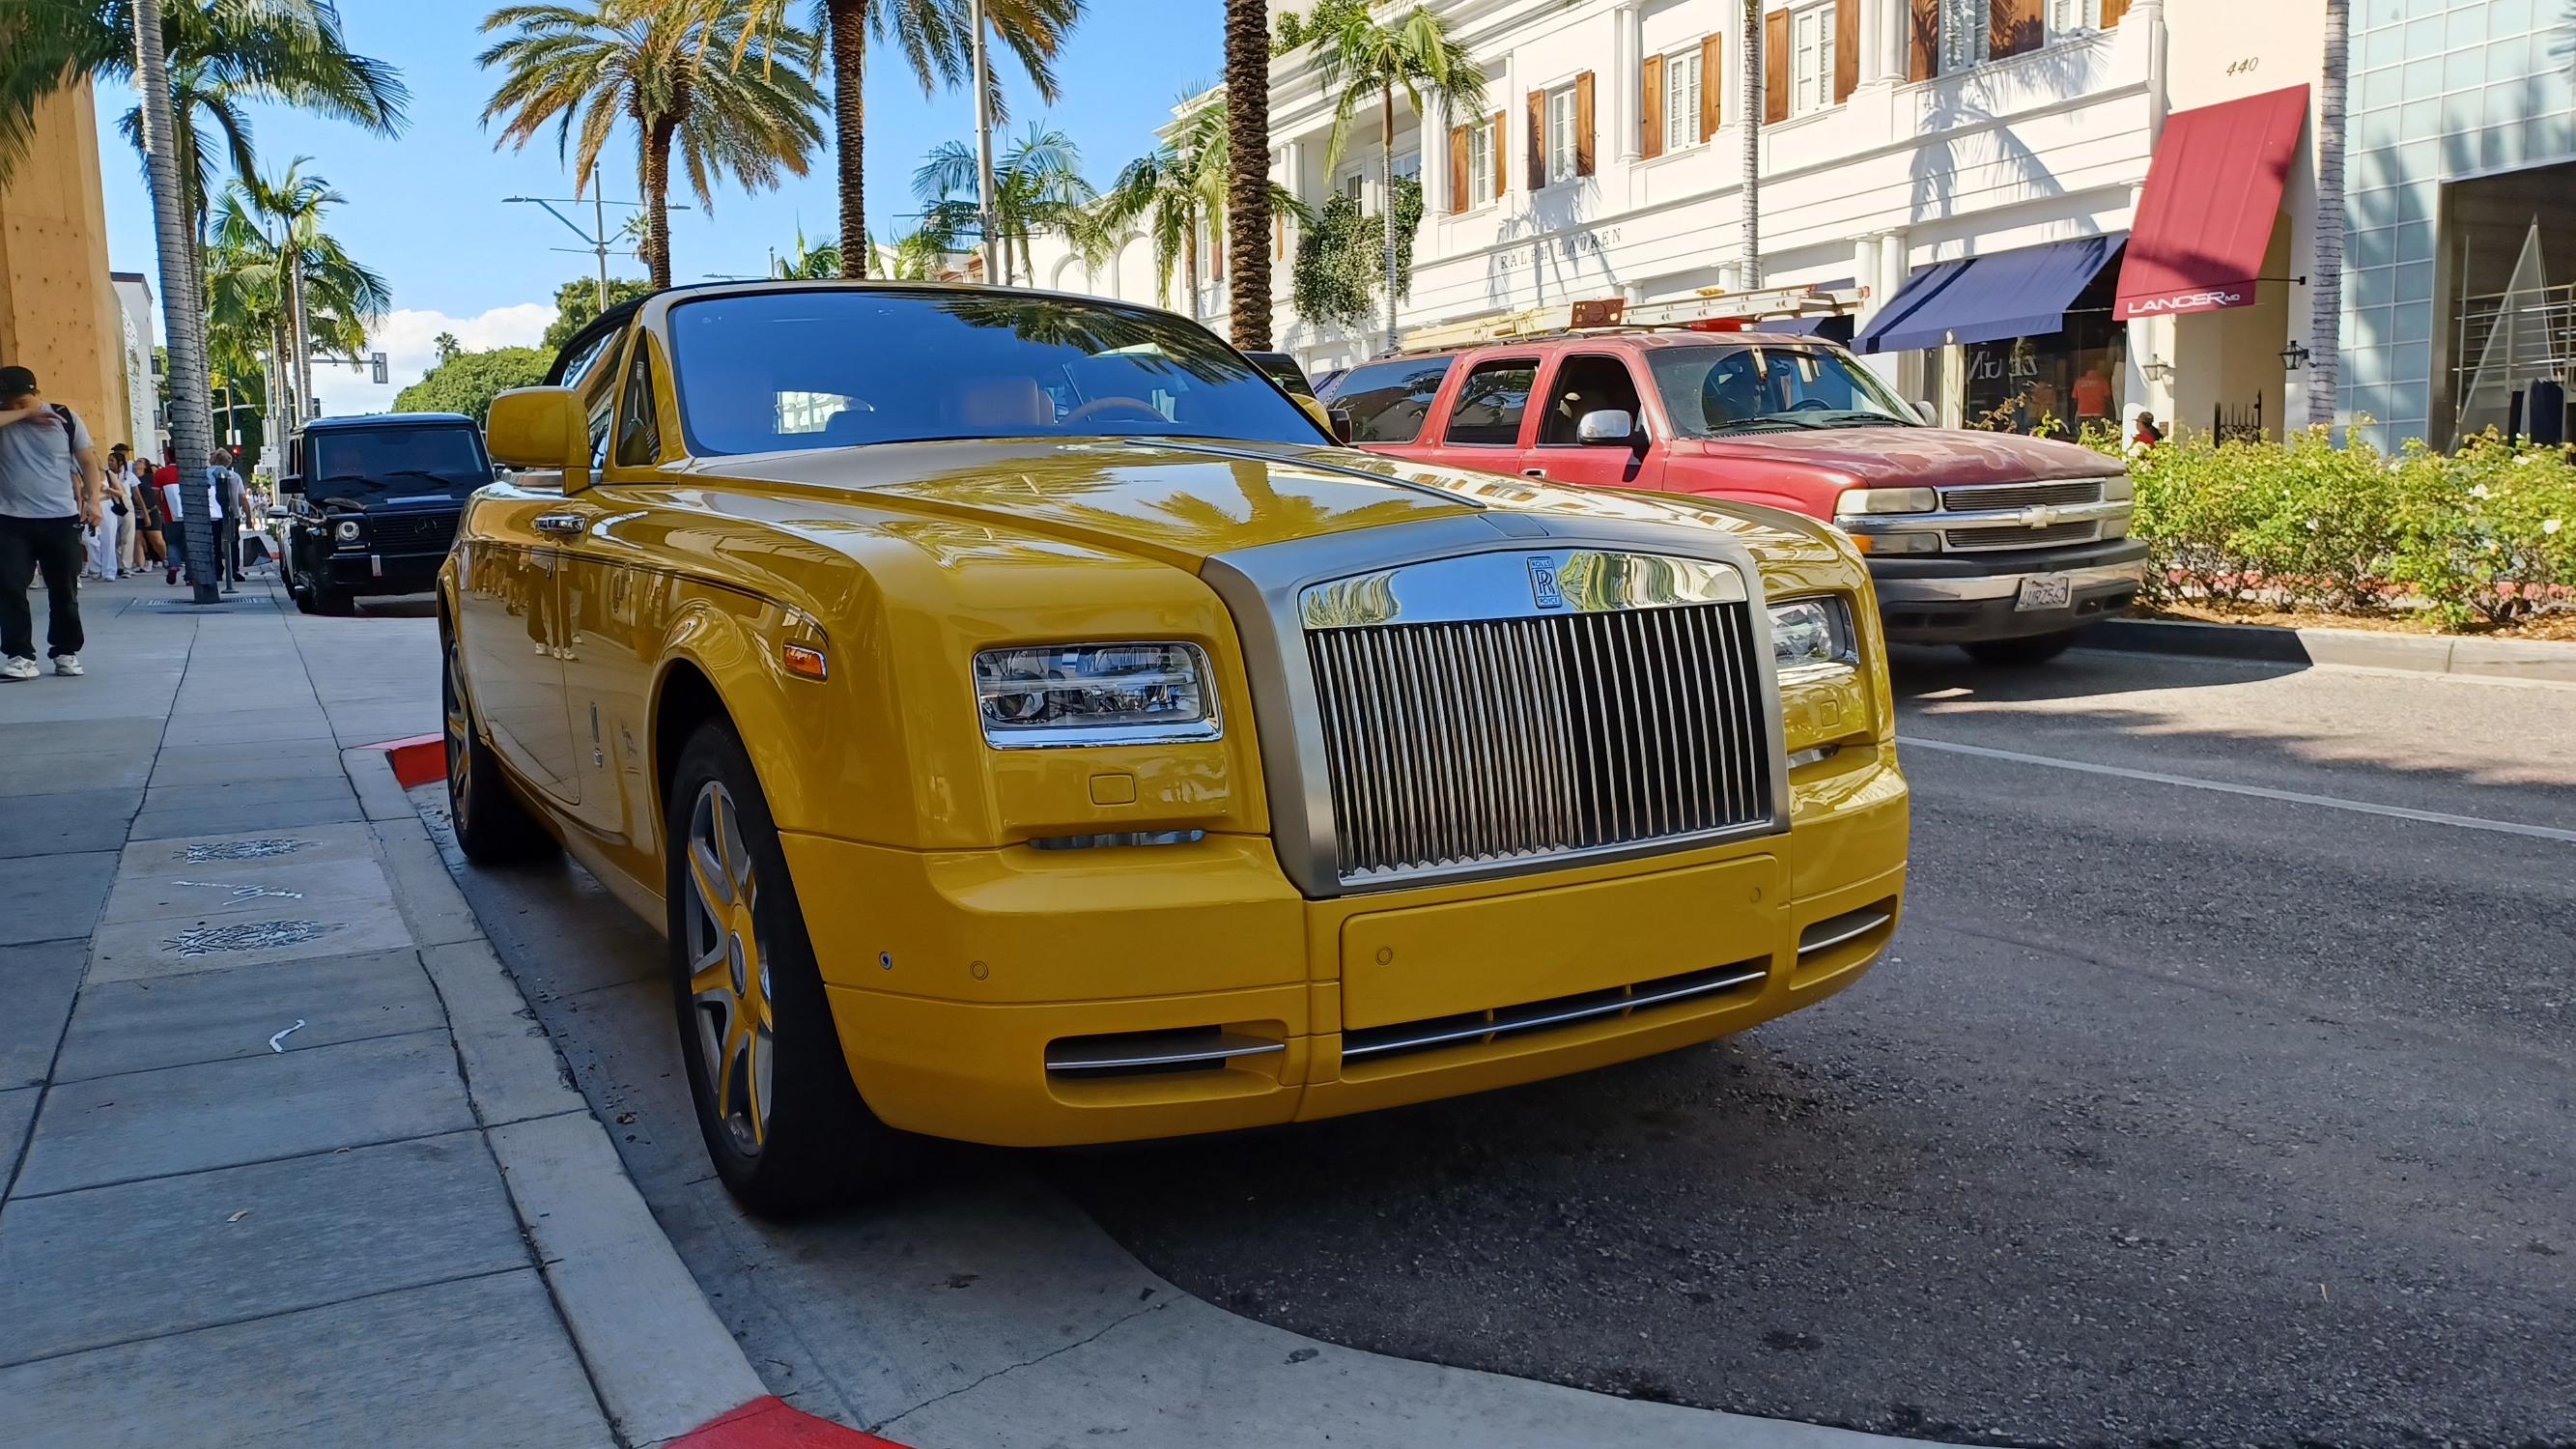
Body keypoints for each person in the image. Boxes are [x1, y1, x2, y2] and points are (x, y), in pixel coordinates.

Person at [0, 364, 103, 680]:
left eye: (22, 401)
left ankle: (65, 651)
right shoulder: (6, 420)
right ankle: (20, 655)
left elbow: (88, 462)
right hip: (11, 520)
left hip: (60, 518)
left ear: (37, 393)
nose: (14, 407)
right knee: (9, 587)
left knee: (64, 590)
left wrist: (93, 501)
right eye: (9, 403)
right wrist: (24, 413)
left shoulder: (66, 418)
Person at [90, 442, 131, 580]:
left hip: (106, 504)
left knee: (108, 538)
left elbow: (121, 493)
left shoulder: (108, 474)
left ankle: (109, 570)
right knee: (90, 539)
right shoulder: (82, 475)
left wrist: (106, 489)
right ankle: (96, 567)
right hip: (90, 505)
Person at [210, 447, 247, 590]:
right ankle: (234, 569)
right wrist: (248, 516)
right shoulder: (234, 476)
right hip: (231, 513)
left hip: (211, 514)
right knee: (233, 541)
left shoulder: (206, 474)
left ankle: (217, 570)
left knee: (215, 543)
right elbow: (242, 497)